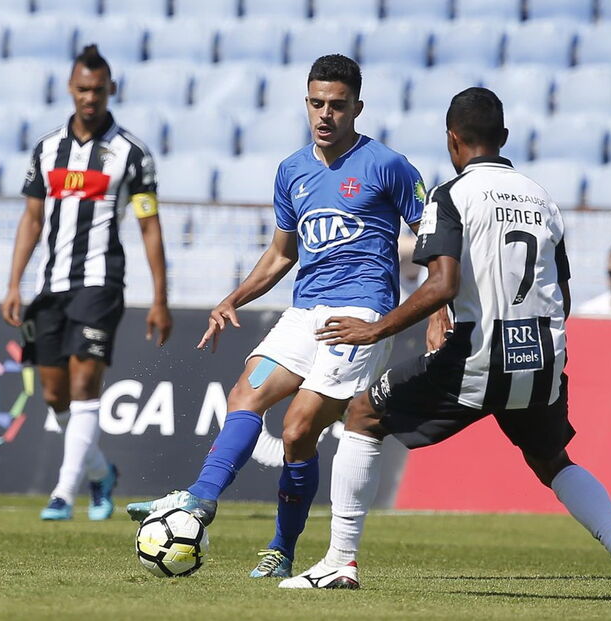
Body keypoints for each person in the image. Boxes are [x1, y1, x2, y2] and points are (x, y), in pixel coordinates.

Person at [279, 88, 611, 602]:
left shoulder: (452, 195)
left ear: (452, 140)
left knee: (363, 415)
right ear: (504, 137)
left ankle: (339, 562)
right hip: (540, 356)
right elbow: (563, 295)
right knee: (553, 460)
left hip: (479, 355)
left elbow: (442, 284)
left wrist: (376, 329)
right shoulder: (541, 198)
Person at [126, 54, 426, 579]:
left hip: (360, 315)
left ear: (357, 107)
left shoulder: (388, 165)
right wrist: (233, 298)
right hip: (305, 313)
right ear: (306, 102)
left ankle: (281, 548)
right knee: (246, 392)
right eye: (317, 103)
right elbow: (282, 254)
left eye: (337, 105)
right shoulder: (292, 171)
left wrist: (439, 309)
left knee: (296, 430)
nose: (325, 114)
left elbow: (433, 240)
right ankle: (201, 499)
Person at [1, 44, 172, 521]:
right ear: (70, 89)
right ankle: (101, 473)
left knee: (83, 383)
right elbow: (32, 219)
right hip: (50, 285)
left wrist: (160, 298)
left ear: (110, 89)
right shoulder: (47, 149)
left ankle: (62, 493)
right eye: (82, 89)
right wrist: (13, 284)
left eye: (97, 90)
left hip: (101, 283)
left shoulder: (131, 153)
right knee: (55, 394)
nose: (90, 98)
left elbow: (149, 225)